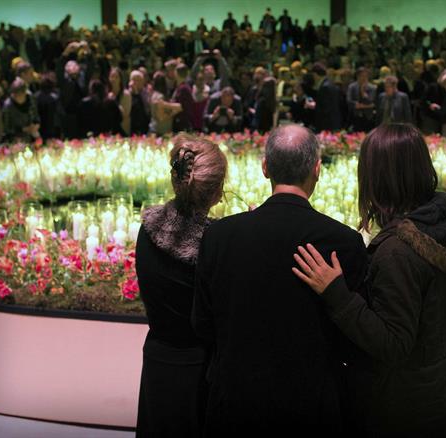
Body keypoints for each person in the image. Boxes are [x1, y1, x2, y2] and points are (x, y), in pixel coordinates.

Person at [292, 123, 446, 437]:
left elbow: (393, 343)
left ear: (378, 177)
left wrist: (337, 293)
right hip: (445, 398)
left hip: (406, 411)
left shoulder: (398, 252)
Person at [192, 125, 367, 435]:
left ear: (265, 167)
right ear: (317, 170)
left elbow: (203, 325)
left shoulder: (219, 236)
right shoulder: (344, 242)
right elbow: (353, 339)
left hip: (235, 402)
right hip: (312, 408)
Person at [135, 134, 227, 437]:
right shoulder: (215, 243)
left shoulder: (147, 229)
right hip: (199, 367)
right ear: (217, 192)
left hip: (159, 358)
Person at [2, 78, 40, 143]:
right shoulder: (8, 105)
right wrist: (23, 129)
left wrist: (36, 124)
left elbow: (36, 115)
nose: (17, 96)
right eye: (15, 94)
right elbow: (5, 128)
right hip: (14, 140)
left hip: (31, 137)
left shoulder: (31, 99)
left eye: (20, 93)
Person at [149, 71, 182, 136]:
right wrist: (173, 113)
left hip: (154, 128)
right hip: (161, 131)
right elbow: (161, 117)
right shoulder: (160, 96)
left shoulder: (153, 95)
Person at [346, 67, 376, 133]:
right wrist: (357, 104)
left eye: (366, 76)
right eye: (361, 76)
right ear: (357, 76)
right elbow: (349, 100)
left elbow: (372, 102)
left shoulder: (373, 88)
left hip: (368, 118)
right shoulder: (352, 87)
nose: (364, 78)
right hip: (355, 117)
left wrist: (363, 93)